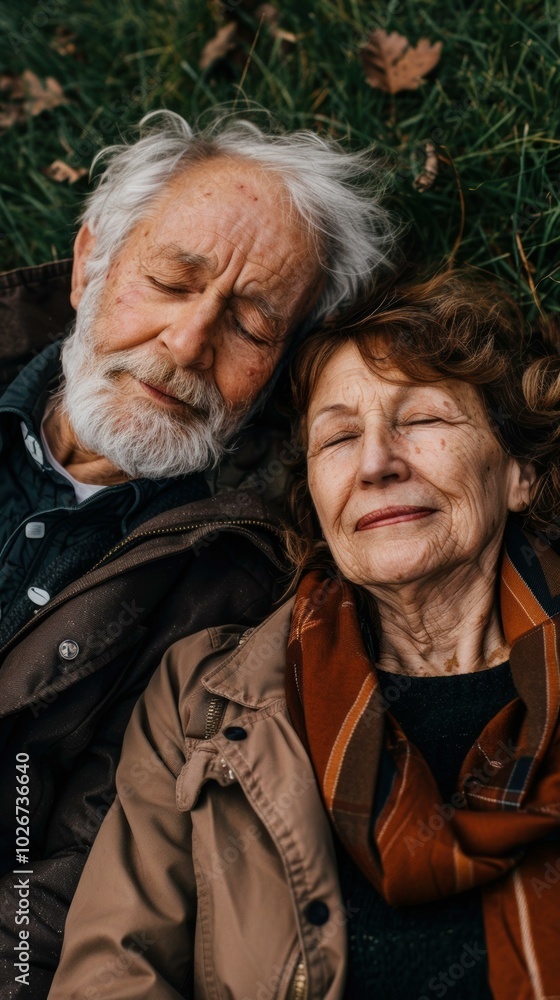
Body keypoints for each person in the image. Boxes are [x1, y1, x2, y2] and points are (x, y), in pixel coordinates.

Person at [47, 270, 560, 1000]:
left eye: (424, 421)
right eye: (340, 437)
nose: (378, 463)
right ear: (315, 498)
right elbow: (114, 973)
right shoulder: (203, 698)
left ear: (520, 475)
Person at [0, 109, 394, 996]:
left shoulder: (233, 585)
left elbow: (64, 873)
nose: (186, 344)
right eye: (171, 280)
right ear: (87, 265)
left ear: (287, 368)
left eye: (250, 327)